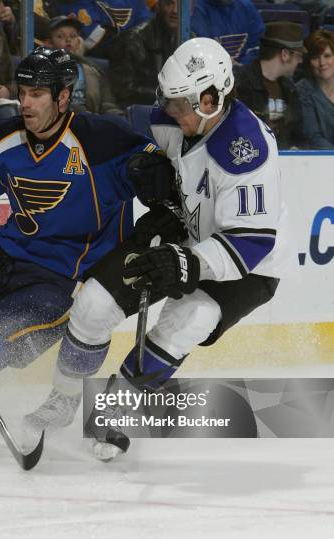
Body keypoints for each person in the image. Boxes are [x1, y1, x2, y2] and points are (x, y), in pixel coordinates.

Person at [24, 37, 294, 461]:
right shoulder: (175, 119)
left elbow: (251, 241)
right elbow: (126, 142)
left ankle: (117, 405)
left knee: (188, 319)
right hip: (185, 232)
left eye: (181, 103)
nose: (170, 112)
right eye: (168, 101)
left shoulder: (246, 150)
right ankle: (63, 399)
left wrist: (187, 261)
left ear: (211, 98)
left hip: (245, 265)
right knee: (94, 304)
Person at [0, 46, 164, 430]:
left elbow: (157, 168)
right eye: (22, 92)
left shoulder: (105, 143)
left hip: (61, 281)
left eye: (37, 94)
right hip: (2, 259)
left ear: (62, 96)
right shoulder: (0, 141)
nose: (25, 103)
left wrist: (157, 177)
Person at [234, 21, 306, 149]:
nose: (300, 61)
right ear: (285, 54)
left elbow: (298, 135)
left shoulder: (289, 89)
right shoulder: (240, 84)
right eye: (298, 56)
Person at [42, 15, 123, 115]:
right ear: (48, 43)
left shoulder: (94, 70)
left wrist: (116, 117)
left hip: (90, 122)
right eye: (60, 36)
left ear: (79, 41)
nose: (68, 40)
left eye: (73, 36)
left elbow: (107, 104)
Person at [109, 0, 178, 108]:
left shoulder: (192, 41)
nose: (175, 10)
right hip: (141, 114)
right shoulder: (132, 41)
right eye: (169, 3)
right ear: (158, 5)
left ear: (191, 9)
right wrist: (165, 96)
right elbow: (122, 90)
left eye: (181, 5)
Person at [190, 0, 265, 65]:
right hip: (211, 74)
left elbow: (255, 45)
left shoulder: (247, 7)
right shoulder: (197, 9)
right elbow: (202, 51)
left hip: (244, 74)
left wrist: (242, 66)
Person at [296, 29, 334, 149]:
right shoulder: (303, 90)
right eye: (315, 57)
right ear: (308, 61)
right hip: (320, 160)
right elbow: (313, 137)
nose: (322, 63)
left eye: (327, 56)